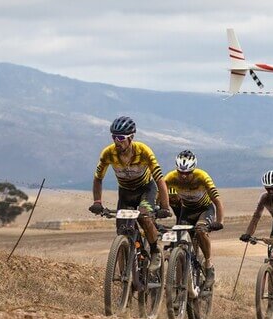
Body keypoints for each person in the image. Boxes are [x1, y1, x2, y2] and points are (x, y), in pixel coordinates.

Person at [89, 116, 171, 270]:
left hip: (145, 190)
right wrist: (97, 202)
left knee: (145, 216)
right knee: (121, 230)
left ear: (131, 137)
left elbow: (160, 179)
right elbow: (98, 178)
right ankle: (126, 270)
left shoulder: (143, 151)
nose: (116, 141)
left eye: (120, 137)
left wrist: (165, 206)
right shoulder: (108, 153)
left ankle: (155, 251)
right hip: (125, 193)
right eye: (114, 137)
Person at [164, 150, 224, 290]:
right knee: (178, 237)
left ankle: (208, 265)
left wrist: (220, 222)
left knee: (201, 230)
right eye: (181, 172)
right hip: (187, 211)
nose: (184, 176)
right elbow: (159, 196)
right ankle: (180, 275)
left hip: (204, 209)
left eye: (188, 173)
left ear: (194, 169)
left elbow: (218, 202)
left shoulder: (202, 177)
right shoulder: (170, 178)